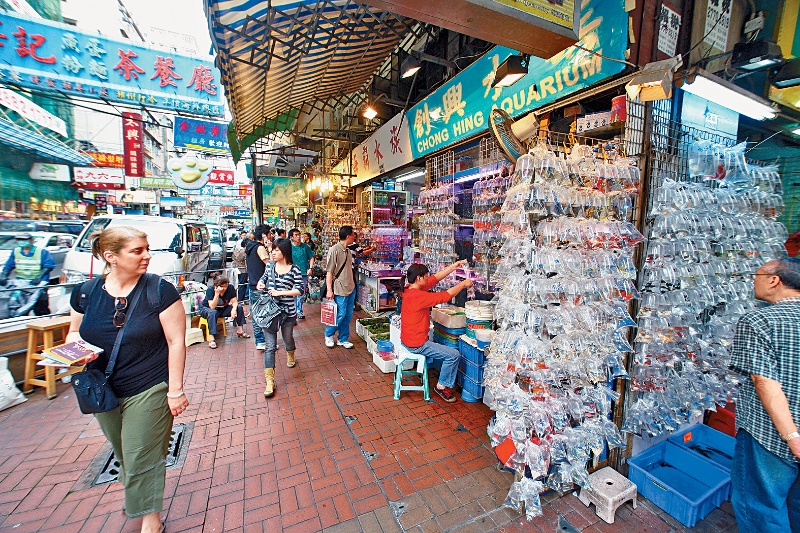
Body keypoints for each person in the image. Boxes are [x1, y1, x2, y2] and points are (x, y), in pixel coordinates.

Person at [66, 226, 188, 533]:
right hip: (103, 388)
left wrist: (175, 390)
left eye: (147, 249)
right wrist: (74, 354)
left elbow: (176, 342)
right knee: (123, 450)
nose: (147, 256)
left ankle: (150, 519)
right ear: (111, 257)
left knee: (140, 452)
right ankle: (139, 492)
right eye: (137, 251)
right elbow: (74, 333)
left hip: (150, 385)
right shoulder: (85, 293)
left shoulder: (159, 291)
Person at [730, 258, 800, 532]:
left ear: (774, 280)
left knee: (760, 508)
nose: (752, 281)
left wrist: (792, 437)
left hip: (769, 436)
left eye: (757, 275)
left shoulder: (759, 320)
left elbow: (764, 381)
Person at [401, 261, 473, 402]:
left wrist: (453, 267)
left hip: (408, 338)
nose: (428, 278)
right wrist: (463, 284)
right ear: (419, 278)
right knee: (453, 355)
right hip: (416, 344)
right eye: (426, 276)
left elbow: (435, 279)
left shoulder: (409, 288)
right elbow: (445, 296)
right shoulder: (418, 296)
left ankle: (443, 377)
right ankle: (441, 386)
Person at [256, 238, 303, 396]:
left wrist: (280, 292)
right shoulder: (270, 265)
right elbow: (263, 279)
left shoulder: (294, 269)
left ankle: (291, 353)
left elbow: (300, 290)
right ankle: (270, 381)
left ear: (285, 251)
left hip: (288, 312)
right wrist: (260, 283)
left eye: (277, 250)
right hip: (270, 312)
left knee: (288, 338)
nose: (273, 252)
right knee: (270, 346)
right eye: (273, 250)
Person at [1, 232, 55, 315]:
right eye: (19, 240)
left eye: (24, 240)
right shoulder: (16, 251)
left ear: (31, 240)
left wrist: (39, 277)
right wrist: (4, 275)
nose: (21, 241)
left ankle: (43, 319)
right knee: (21, 304)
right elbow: (9, 265)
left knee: (40, 306)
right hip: (21, 282)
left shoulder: (41, 252)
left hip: (38, 283)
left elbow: (48, 266)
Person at [324, 226, 357, 349]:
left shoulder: (348, 251)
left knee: (348, 315)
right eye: (353, 235)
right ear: (348, 236)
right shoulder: (334, 250)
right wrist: (329, 290)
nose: (354, 237)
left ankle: (343, 338)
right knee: (340, 314)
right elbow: (329, 272)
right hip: (340, 288)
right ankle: (328, 334)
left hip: (350, 287)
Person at [198, 275, 248, 349]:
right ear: (216, 286)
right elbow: (212, 306)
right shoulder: (210, 290)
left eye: (226, 286)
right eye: (222, 286)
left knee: (239, 307)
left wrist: (234, 309)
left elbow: (234, 301)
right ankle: (211, 338)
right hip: (207, 309)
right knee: (213, 312)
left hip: (222, 309)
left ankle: (240, 330)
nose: (224, 288)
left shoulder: (230, 288)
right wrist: (217, 294)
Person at [245, 225, 271, 351]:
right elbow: (270, 265)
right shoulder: (260, 248)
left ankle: (260, 340)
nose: (271, 236)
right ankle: (262, 340)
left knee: (256, 314)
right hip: (261, 284)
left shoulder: (250, 247)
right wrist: (270, 249)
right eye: (269, 234)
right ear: (264, 235)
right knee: (264, 313)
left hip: (253, 284)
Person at [289, 228, 315, 319]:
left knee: (300, 293)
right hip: (291, 273)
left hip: (303, 273)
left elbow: (312, 257)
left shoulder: (305, 246)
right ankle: (293, 311)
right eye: (296, 235)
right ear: (291, 237)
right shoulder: (289, 247)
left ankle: (299, 311)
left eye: (299, 234)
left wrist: (310, 268)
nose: (299, 236)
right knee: (292, 293)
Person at [232, 231, 249, 304]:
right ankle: (241, 300)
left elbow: (233, 258)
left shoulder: (236, 250)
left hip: (237, 269)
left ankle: (239, 298)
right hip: (243, 270)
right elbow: (245, 261)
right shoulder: (244, 252)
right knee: (242, 285)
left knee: (239, 284)